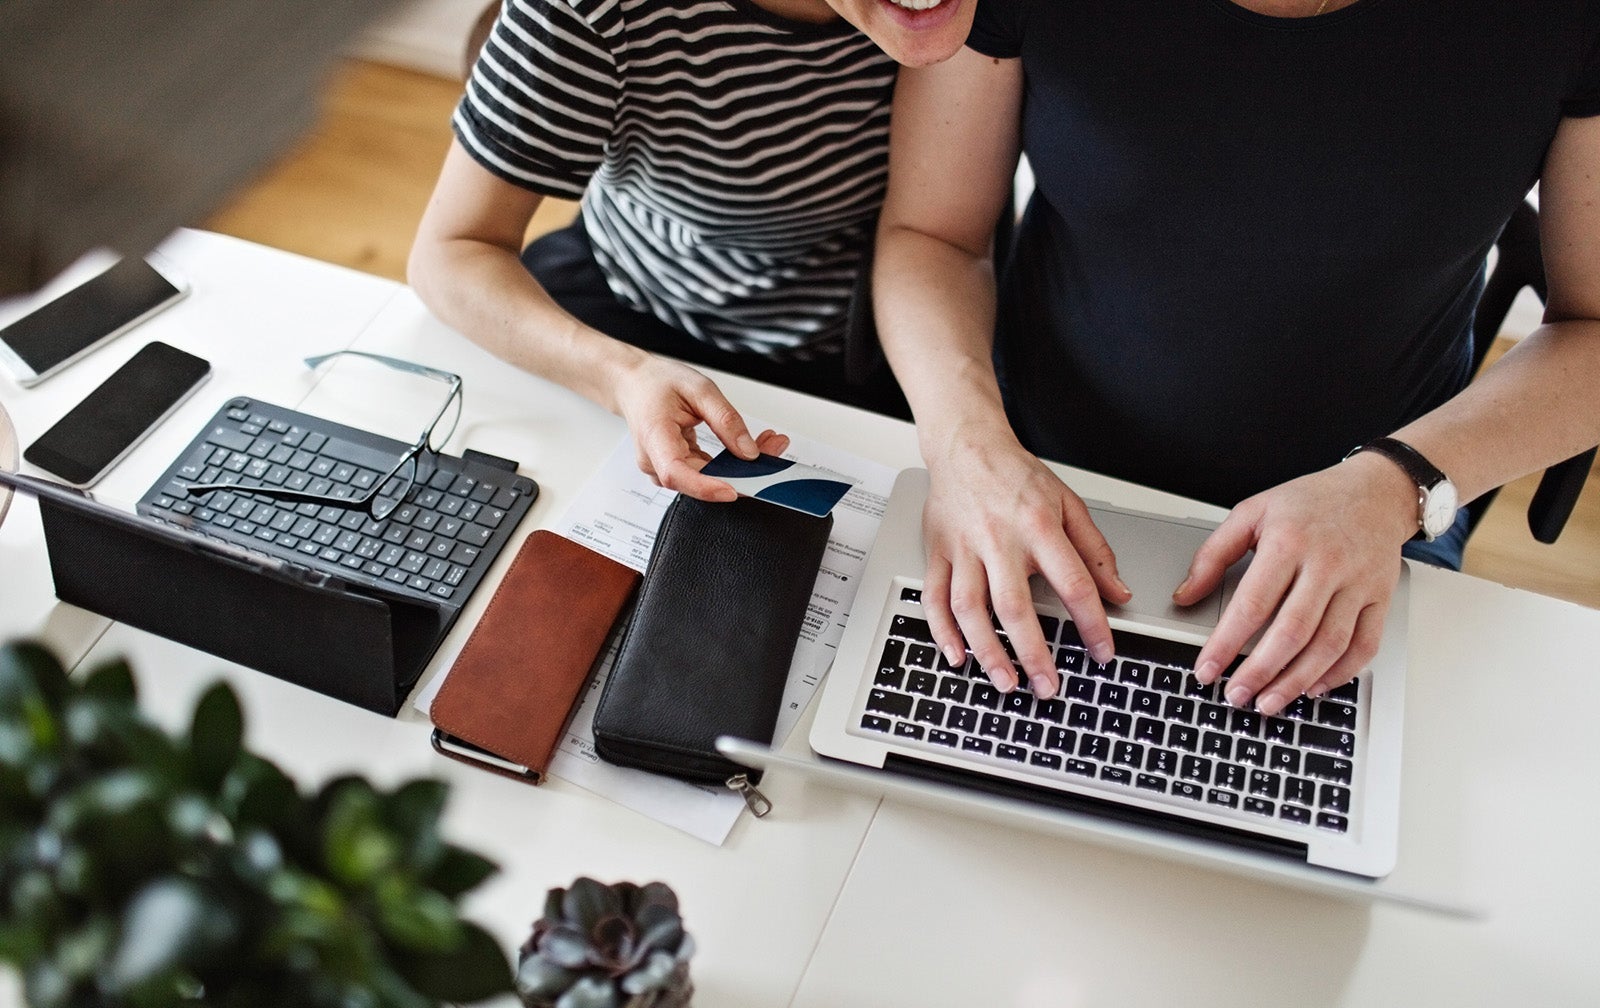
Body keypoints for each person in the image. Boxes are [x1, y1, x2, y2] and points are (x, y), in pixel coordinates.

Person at [873, 0, 1600, 717]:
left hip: (1376, 521)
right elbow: (931, 234)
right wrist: (967, 444)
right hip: (1034, 481)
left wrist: (1395, 486)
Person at [408, 0, 975, 503]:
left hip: (886, 337)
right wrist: (621, 375)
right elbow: (452, 251)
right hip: (632, 316)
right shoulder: (597, 11)